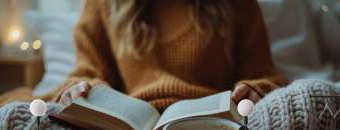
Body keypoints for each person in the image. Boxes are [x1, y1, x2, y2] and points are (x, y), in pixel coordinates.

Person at [57, 0, 286, 111]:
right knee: (27, 115)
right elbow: (88, 73)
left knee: (311, 94)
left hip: (211, 129)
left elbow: (263, 76)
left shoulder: (236, 4)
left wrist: (255, 90)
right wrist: (81, 90)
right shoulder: (104, 4)